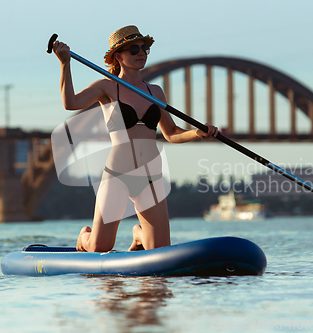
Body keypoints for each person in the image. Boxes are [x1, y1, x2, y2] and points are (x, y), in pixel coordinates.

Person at [52, 25, 218, 253]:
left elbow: (171, 133)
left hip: (151, 174)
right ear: (118, 56)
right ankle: (84, 237)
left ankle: (139, 235)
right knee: (101, 247)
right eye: (134, 49)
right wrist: (65, 64)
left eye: (145, 49)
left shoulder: (155, 92)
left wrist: (197, 133)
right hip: (117, 174)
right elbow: (70, 103)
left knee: (159, 250)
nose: (142, 53)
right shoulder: (106, 87)